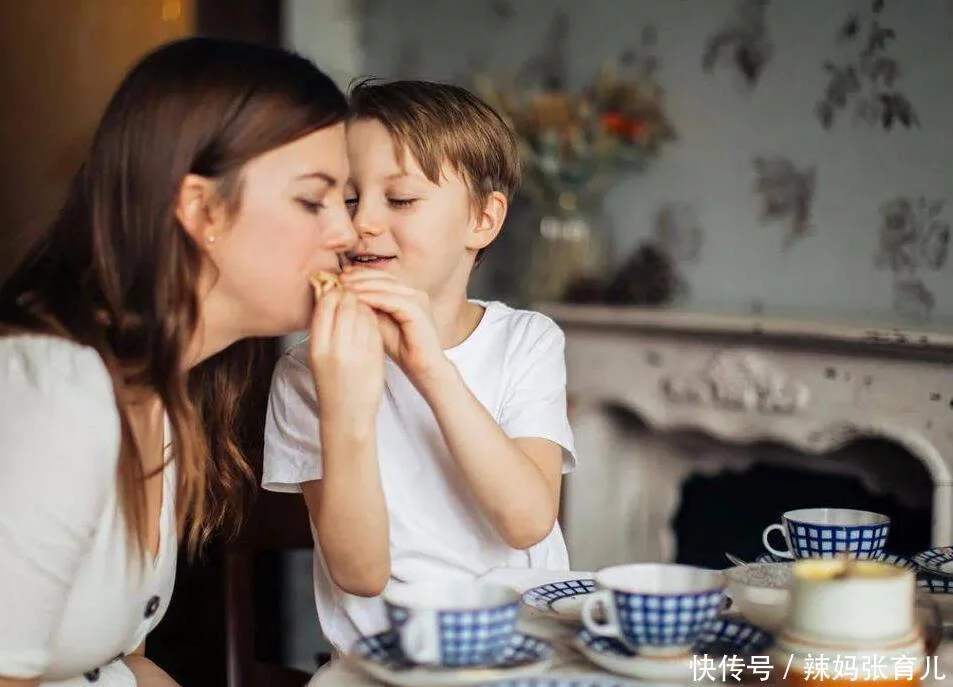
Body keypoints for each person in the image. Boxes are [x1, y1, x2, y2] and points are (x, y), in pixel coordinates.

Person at [0, 37, 371, 686]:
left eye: (345, 201)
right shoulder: (58, 389)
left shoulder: (163, 393)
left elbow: (120, 664)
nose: (347, 232)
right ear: (201, 209)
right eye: (313, 200)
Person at [262, 79, 577, 654]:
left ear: (483, 218)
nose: (363, 223)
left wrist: (430, 368)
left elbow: (527, 521)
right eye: (349, 199)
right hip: (383, 663)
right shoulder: (310, 370)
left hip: (524, 651)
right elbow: (359, 574)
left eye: (400, 199)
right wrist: (344, 402)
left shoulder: (527, 341)